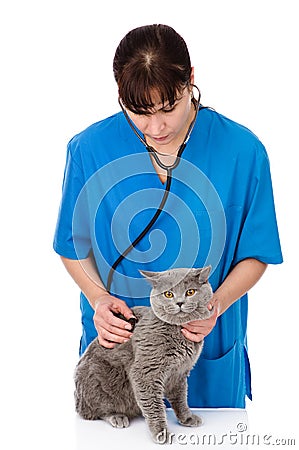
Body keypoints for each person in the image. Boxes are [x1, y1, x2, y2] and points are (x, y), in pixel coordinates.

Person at [53, 24, 283, 408]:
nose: (156, 127)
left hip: (205, 353)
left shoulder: (244, 151)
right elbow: (72, 246)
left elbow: (257, 252)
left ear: (190, 80)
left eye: (168, 108)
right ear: (120, 96)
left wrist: (217, 305)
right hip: (118, 356)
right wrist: (97, 298)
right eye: (139, 113)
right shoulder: (88, 149)